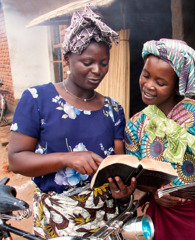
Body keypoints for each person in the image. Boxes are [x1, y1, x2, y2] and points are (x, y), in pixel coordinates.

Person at [8, 6, 136, 239]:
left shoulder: (113, 109)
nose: (97, 70)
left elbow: (118, 164)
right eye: (87, 62)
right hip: (60, 220)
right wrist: (67, 159)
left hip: (107, 218)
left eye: (104, 63)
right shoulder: (37, 99)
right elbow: (16, 160)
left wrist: (122, 189)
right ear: (67, 58)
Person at [124, 38, 195, 240]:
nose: (149, 85)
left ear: (179, 86)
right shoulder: (135, 125)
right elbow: (135, 173)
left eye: (160, 83)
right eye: (145, 75)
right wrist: (155, 192)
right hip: (159, 217)